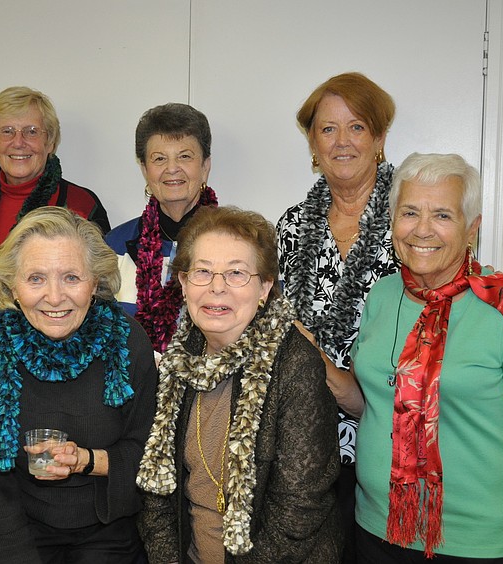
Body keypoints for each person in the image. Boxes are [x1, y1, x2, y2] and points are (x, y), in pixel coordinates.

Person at [351, 153, 503, 563]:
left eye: (443, 216)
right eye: (410, 212)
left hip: (477, 547)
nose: (422, 230)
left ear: (473, 228)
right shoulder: (381, 295)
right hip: (375, 530)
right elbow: (372, 400)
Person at [137, 206, 342, 563]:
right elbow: (156, 497)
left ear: (264, 287)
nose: (217, 287)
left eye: (236, 273)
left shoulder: (296, 364)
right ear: (183, 283)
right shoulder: (177, 360)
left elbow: (298, 510)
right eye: (202, 271)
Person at [0, 206, 157, 563]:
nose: (54, 297)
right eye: (35, 278)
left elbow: (149, 455)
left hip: (109, 527)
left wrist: (86, 460)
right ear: (11, 286)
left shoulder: (128, 341)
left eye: (71, 278)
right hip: (15, 528)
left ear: (95, 283)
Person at [276, 71, 397, 562]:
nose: (342, 141)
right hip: (308, 444)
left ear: (380, 139)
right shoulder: (288, 226)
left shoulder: (412, 221)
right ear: (312, 141)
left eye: (357, 127)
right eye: (327, 129)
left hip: (388, 437)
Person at [0, 86, 111, 330]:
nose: (18, 142)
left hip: (54, 352)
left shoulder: (80, 204)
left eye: (31, 131)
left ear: (50, 142)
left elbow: (100, 291)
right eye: (7, 131)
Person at [105, 102, 217, 353]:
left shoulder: (236, 244)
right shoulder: (114, 246)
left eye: (185, 156)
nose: (172, 169)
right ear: (145, 169)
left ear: (205, 166)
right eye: (159, 159)